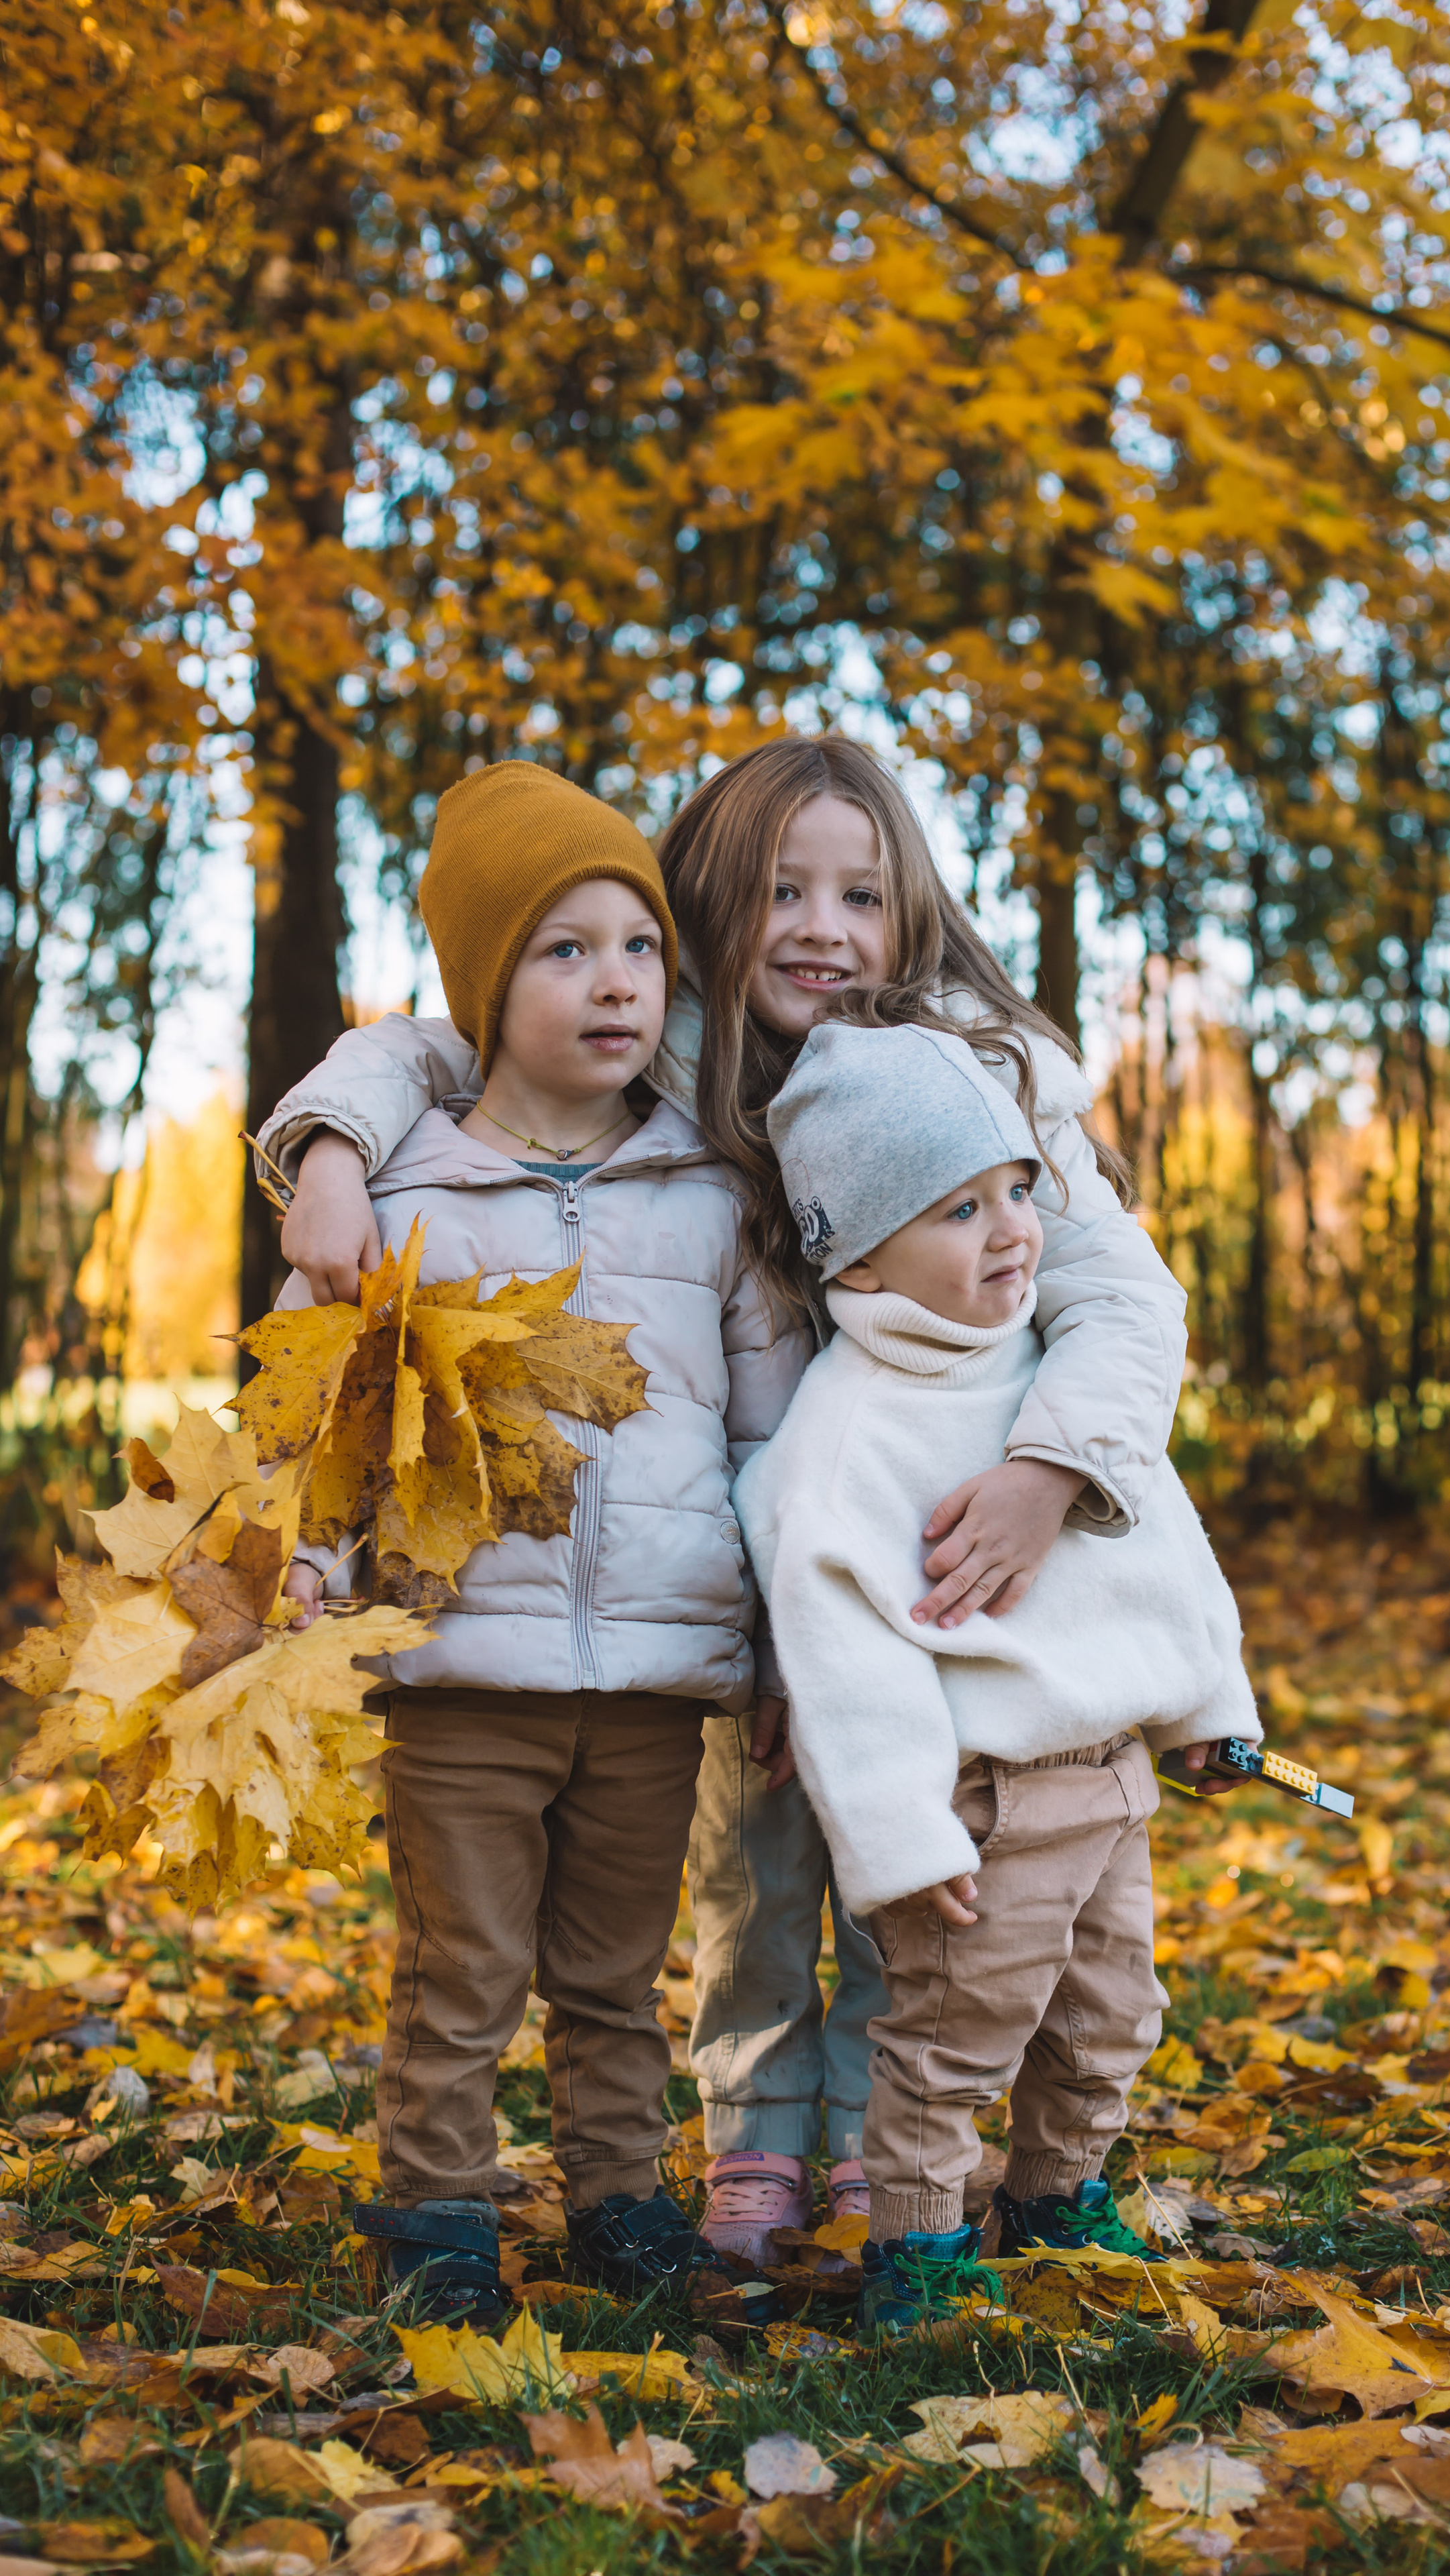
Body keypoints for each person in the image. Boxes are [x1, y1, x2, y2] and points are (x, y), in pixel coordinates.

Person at [256, 738, 1191, 2264]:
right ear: (709, 907)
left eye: (861, 895)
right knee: (749, 1842)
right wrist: (325, 1145)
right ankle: (757, 2131)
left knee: (927, 1843)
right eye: (781, 892)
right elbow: (438, 1044)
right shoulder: (658, 1058)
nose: (823, 927)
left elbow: (1120, 1299)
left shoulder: (975, 1074)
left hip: (944, 1530)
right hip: (716, 1543)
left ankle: (892, 2144)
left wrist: (1050, 1471)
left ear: (912, 918)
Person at [277, 761, 804, 2324]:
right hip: (462, 1669)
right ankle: (437, 2213)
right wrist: (314, 1559)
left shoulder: (710, 1191)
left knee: (613, 1975)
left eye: (639, 949)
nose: (616, 984)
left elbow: (773, 1440)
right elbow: (340, 1419)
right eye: (564, 952)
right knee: (461, 1970)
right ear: (485, 990)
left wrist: (780, 1636)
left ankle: (619, 2202)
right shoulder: (406, 1188)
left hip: (652, 1672)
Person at [732, 1022, 1258, 2333]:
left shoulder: (1044, 1375)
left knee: (1109, 2017)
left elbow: (1162, 1557)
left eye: (1017, 1190)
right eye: (959, 1208)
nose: (1012, 1228)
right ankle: (916, 2244)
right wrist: (902, 1836)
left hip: (1111, 1782)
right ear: (853, 1254)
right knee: (955, 2041)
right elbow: (843, 1653)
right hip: (984, 1810)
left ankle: (1056, 2189)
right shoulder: (843, 1437)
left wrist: (1211, 1712)